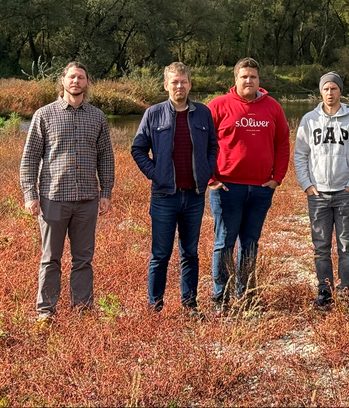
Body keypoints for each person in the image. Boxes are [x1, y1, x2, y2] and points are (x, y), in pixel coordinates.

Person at [20, 62, 114, 321]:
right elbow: (30, 159)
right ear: (63, 81)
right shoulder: (44, 115)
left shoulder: (97, 117)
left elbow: (106, 157)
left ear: (87, 82)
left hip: (87, 200)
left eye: (81, 77)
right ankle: (46, 311)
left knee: (83, 259)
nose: (76, 81)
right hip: (53, 200)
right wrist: (31, 195)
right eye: (71, 77)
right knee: (50, 258)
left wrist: (105, 192)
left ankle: (82, 310)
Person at [131, 62, 218, 316]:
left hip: (194, 196)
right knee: (160, 254)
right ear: (166, 85)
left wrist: (207, 171)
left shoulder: (202, 113)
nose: (179, 86)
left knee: (190, 253)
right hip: (164, 196)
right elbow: (138, 149)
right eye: (174, 81)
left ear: (190, 84)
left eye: (184, 81)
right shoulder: (154, 113)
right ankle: (154, 307)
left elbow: (213, 146)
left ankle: (190, 305)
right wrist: (155, 174)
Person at [207, 57, 290, 312]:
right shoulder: (218, 106)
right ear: (235, 79)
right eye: (244, 76)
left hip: (261, 189)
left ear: (259, 80)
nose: (249, 80)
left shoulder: (273, 107)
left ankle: (246, 294)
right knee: (225, 242)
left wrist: (277, 178)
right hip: (228, 187)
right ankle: (220, 296)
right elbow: (203, 145)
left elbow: (283, 144)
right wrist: (211, 179)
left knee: (250, 243)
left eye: (253, 76)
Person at [293, 72, 349, 308]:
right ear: (320, 91)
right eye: (325, 88)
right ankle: (324, 292)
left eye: (334, 88)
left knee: (346, 246)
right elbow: (300, 155)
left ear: (340, 91)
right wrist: (307, 185)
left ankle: (346, 292)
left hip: (344, 194)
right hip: (318, 196)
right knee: (321, 247)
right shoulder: (309, 120)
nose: (329, 92)